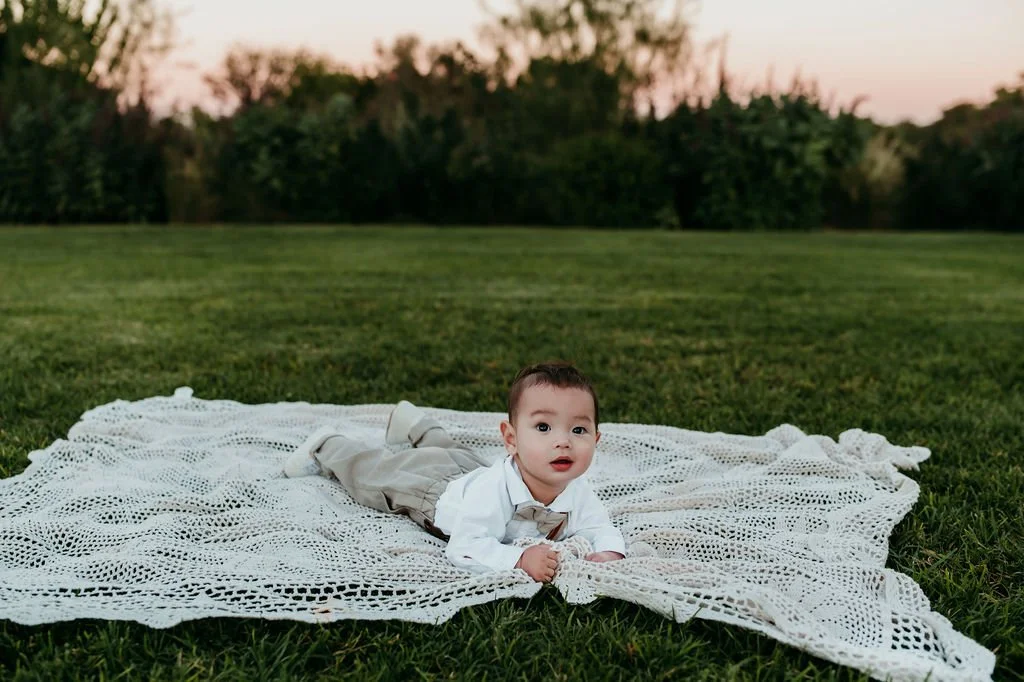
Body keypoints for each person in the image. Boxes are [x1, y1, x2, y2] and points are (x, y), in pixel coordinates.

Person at [283, 362, 626, 582]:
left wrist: (609, 551)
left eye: (578, 431)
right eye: (543, 427)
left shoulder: (576, 489)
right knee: (377, 476)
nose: (563, 443)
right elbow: (464, 546)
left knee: (453, 453)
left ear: (596, 439)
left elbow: (600, 527)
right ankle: (328, 445)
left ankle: (415, 424)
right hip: (433, 492)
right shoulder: (494, 492)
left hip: (470, 471)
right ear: (511, 439)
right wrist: (518, 558)